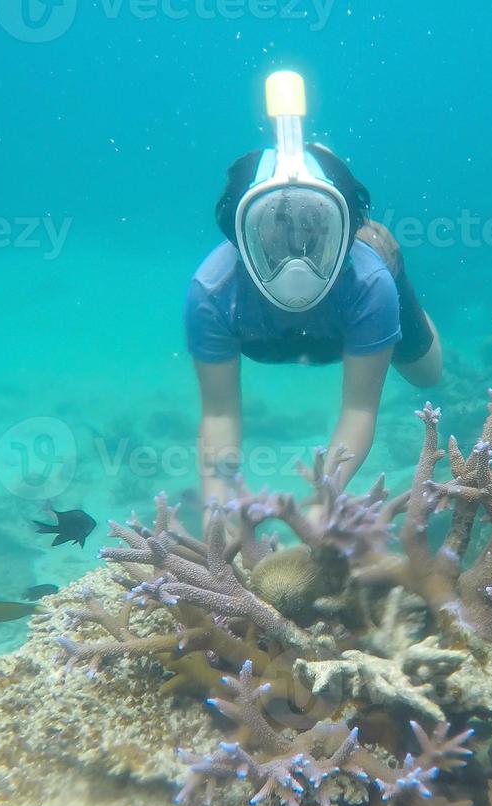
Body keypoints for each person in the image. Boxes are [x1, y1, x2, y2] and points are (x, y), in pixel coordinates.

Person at [185, 71, 442, 505]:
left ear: (343, 231)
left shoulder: (370, 283)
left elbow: (359, 411)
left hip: (364, 300)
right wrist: (218, 512)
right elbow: (219, 415)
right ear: (239, 234)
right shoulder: (212, 292)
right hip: (320, 325)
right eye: (275, 232)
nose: (296, 262)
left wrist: (324, 501)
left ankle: (387, 252)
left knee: (427, 375)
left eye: (313, 231)